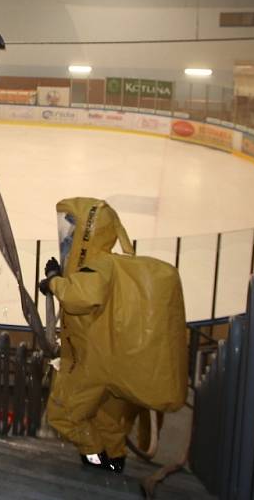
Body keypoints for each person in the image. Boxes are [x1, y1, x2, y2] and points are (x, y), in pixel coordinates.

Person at [38, 198, 187, 473]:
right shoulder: (114, 265)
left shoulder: (97, 267)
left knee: (65, 415)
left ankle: (94, 458)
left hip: (93, 363)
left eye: (72, 229)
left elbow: (80, 297)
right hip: (118, 368)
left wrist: (52, 280)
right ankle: (115, 463)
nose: (67, 236)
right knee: (110, 421)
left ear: (86, 234)